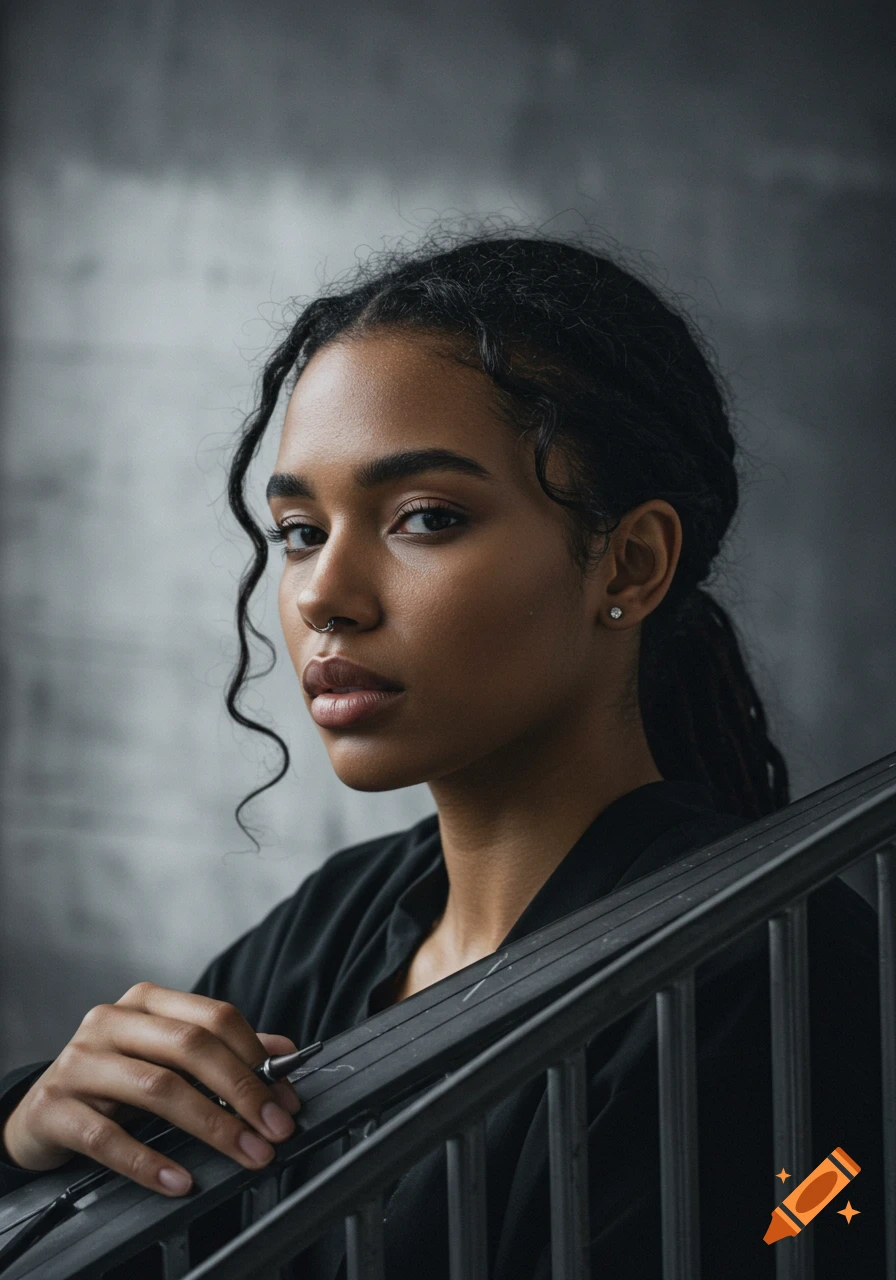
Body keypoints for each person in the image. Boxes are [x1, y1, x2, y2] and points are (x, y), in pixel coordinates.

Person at [0, 226, 885, 1278]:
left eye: (424, 516)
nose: (324, 593)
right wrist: (29, 1138)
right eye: (298, 529)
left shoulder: (763, 971)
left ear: (630, 562)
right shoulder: (325, 929)